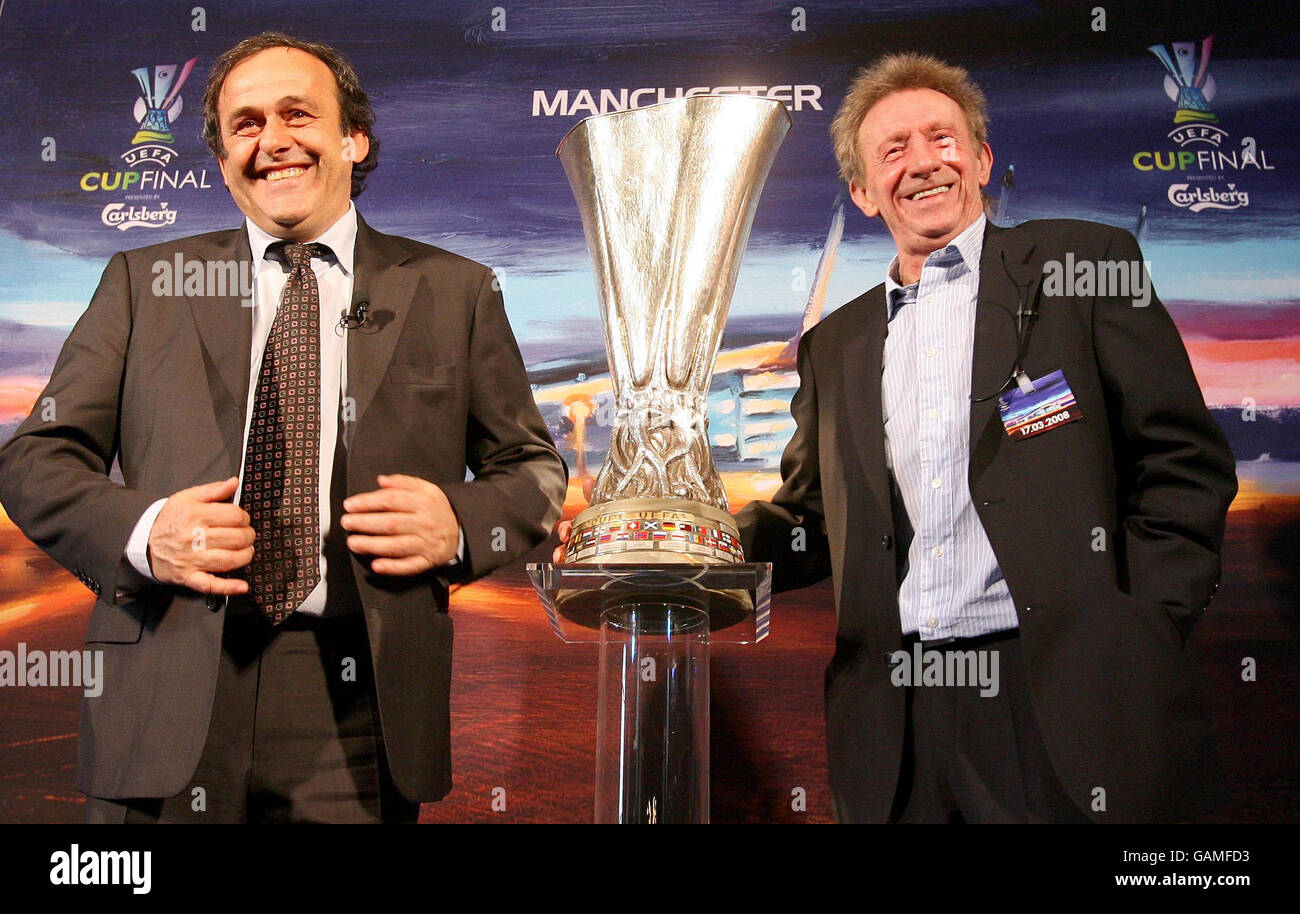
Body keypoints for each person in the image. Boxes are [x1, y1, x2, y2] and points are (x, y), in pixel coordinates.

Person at [560, 52, 1236, 823]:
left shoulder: (1081, 267)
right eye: (893, 151)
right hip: (899, 720)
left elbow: (1182, 461)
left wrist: (1141, 627)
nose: (923, 163)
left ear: (980, 159)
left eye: (942, 140)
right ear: (862, 190)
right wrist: (676, 540)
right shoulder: (836, 346)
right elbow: (808, 523)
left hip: (1062, 694)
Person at [0, 32, 567, 823]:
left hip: (360, 709)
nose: (272, 141)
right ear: (224, 156)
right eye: (245, 124)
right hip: (165, 689)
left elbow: (532, 467)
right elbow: (34, 458)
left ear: (352, 138)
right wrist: (146, 530)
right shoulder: (143, 283)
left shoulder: (456, 290)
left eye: (297, 115)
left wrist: (463, 523)